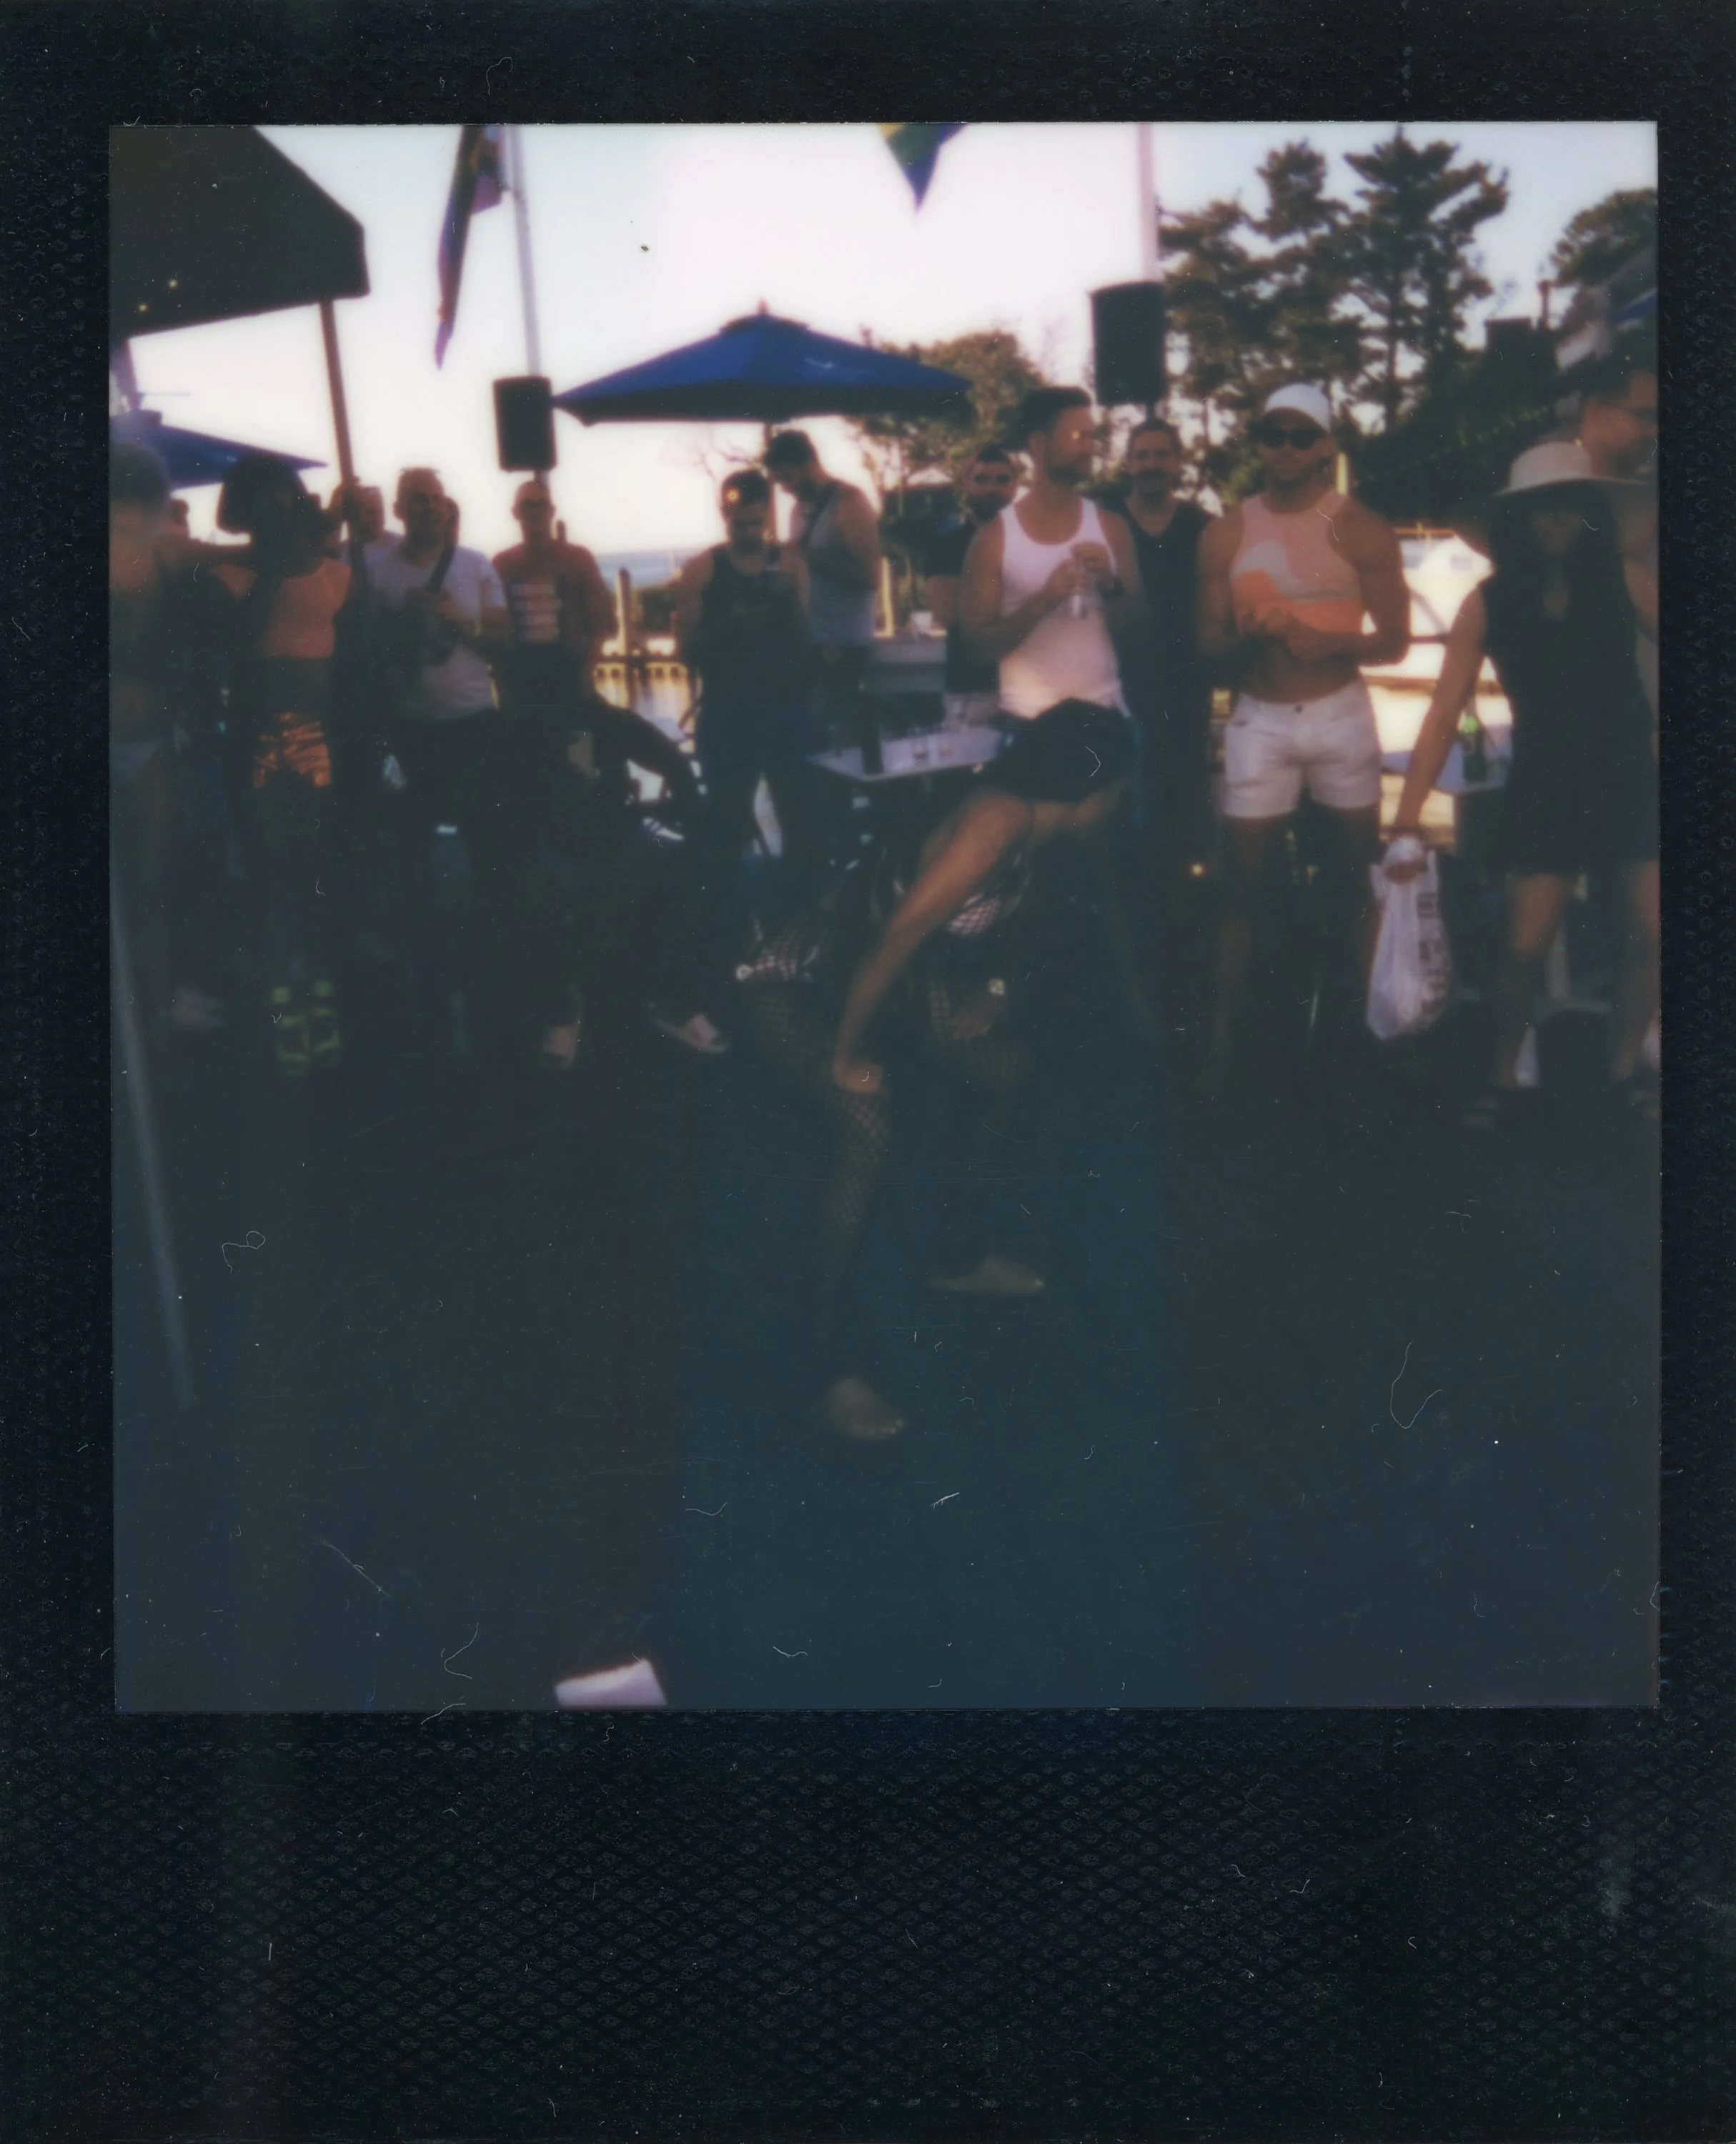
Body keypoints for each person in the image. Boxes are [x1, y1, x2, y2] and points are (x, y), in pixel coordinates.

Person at [738, 701, 1137, 1442]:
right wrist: (843, 1056)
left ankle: (952, 1255)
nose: (1118, 804)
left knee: (1006, 1072)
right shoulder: (997, 824)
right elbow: (891, 940)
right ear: (1090, 789)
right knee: (866, 1128)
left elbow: (1022, 925)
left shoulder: (1045, 832)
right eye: (1116, 790)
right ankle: (819, 1368)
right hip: (804, 977)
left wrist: (993, 989)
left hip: (894, 981)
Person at [1387, 442, 1658, 1130]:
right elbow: (1443, 712)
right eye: (1541, 509)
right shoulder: (1485, 602)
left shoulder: (1625, 577)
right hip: (1546, 780)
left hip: (1629, 772)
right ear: (1517, 521)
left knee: (1652, 934)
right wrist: (1408, 817)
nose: (1556, 519)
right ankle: (1503, 1073)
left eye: (1568, 505)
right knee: (1522, 947)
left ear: (1589, 512)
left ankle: (1624, 1067)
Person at [1196, 383, 1411, 1093]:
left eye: (1299, 436)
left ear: (1325, 446)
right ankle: (1221, 1043)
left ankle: (1378, 1031)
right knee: (1242, 888)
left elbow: (1394, 640)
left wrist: (1326, 641)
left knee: (1356, 879)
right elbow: (1207, 648)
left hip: (1338, 714)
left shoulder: (1360, 527)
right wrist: (1248, 641)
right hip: (1258, 718)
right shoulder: (1227, 531)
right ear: (1256, 443)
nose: (1283, 449)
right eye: (1271, 435)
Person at [368, 470, 532, 1053]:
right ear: (399, 509)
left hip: (472, 727)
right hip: (411, 733)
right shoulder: (380, 574)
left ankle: (494, 968)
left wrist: (456, 623)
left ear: (446, 508)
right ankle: (426, 977)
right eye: (416, 500)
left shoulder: (475, 565)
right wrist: (401, 625)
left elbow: (504, 641)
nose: (427, 509)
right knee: (412, 857)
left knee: (489, 849)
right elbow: (369, 655)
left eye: (435, 500)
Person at [201, 455, 354, 1074]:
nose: (275, 511)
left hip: (322, 739)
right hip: (255, 741)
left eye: (282, 499)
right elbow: (235, 639)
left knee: (314, 874)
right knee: (269, 877)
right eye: (262, 504)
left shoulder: (338, 576)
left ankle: (319, 1007)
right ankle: (281, 1013)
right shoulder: (224, 578)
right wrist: (272, 564)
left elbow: (360, 663)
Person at [957, 387, 1144, 724]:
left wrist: (1110, 586)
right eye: (1078, 436)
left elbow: (1140, 636)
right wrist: (1043, 601)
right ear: (1039, 444)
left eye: (1092, 437)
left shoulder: (1111, 527)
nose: (1090, 448)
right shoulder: (994, 538)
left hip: (1104, 719)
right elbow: (976, 651)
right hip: (1029, 722)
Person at [674, 467, 818, 883]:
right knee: (727, 824)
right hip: (727, 711)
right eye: (741, 524)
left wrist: (791, 603)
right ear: (725, 515)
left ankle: (798, 906)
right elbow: (686, 653)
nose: (750, 533)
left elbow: (805, 648)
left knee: (799, 821)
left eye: (757, 523)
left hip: (786, 708)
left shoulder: (790, 567)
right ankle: (727, 910)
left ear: (768, 515)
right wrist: (733, 623)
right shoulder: (702, 571)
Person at [110, 441, 196, 1031]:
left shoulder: (165, 551)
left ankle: (158, 1000)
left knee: (151, 882)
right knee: (148, 883)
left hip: (147, 739)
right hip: (141, 737)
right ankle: (155, 1003)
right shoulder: (164, 550)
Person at [1111, 417, 1216, 875]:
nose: (1151, 464)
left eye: (1161, 455)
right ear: (1127, 464)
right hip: (1117, 684)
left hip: (1185, 687)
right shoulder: (1105, 523)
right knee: (1118, 803)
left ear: (1178, 463)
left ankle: (1178, 896)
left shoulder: (1204, 526)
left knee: (1180, 806)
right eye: (1142, 456)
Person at [763, 430, 881, 736]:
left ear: (808, 464)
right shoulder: (797, 511)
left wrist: (806, 555)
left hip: (845, 644)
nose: (786, 488)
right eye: (780, 482)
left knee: (840, 737)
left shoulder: (850, 503)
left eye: (788, 478)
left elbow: (870, 577)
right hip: (810, 641)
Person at [491, 477, 616, 724]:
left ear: (552, 511)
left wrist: (586, 674)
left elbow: (601, 625)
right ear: (515, 512)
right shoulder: (502, 565)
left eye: (541, 504)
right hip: (521, 689)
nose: (535, 511)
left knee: (587, 747)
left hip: (572, 684)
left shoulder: (578, 559)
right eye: (527, 504)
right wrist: (503, 690)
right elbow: (496, 634)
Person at [922, 445, 1018, 730]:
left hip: (1030, 688)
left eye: (1002, 480)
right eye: (982, 479)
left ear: (1015, 487)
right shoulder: (945, 545)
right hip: (972, 691)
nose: (992, 489)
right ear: (966, 484)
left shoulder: (1032, 543)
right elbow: (948, 613)